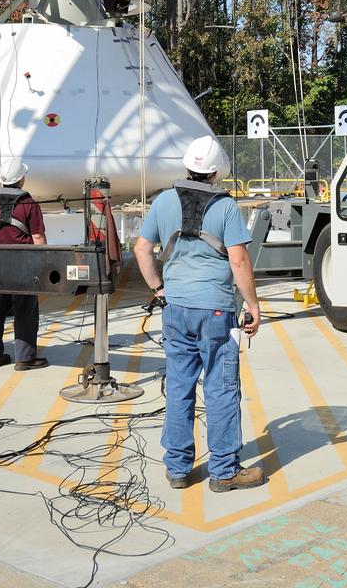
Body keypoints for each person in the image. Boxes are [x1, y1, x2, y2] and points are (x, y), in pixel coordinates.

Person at [134, 135, 265, 493]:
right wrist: (252, 304)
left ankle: (178, 469)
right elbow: (237, 259)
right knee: (221, 389)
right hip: (217, 310)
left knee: (179, 386)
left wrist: (159, 290)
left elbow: (142, 249)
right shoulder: (225, 207)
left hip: (176, 308)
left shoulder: (163, 201)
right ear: (216, 171)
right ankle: (223, 472)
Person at [0, 157, 49, 371]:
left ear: (1, 180)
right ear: (21, 180)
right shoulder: (28, 203)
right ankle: (25, 358)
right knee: (25, 311)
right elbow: (38, 238)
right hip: (24, 264)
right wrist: (44, 264)